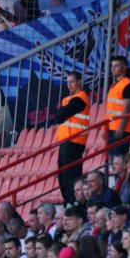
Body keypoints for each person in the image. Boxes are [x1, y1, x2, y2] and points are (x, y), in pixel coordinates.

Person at [54, 71, 90, 202]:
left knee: (71, 176)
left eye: (72, 81)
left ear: (80, 82)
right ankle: (69, 201)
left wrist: (60, 113)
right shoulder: (68, 99)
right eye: (67, 82)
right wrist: (60, 113)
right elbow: (59, 115)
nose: (69, 85)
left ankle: (74, 202)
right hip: (66, 141)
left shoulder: (81, 97)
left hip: (75, 141)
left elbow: (62, 114)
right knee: (62, 175)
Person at [106, 55, 130, 144]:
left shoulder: (128, 85)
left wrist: (120, 129)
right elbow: (109, 110)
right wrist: (105, 128)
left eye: (116, 66)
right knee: (112, 157)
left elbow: (127, 108)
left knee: (119, 157)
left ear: (124, 67)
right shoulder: (114, 86)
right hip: (112, 128)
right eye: (112, 66)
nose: (113, 69)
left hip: (124, 129)